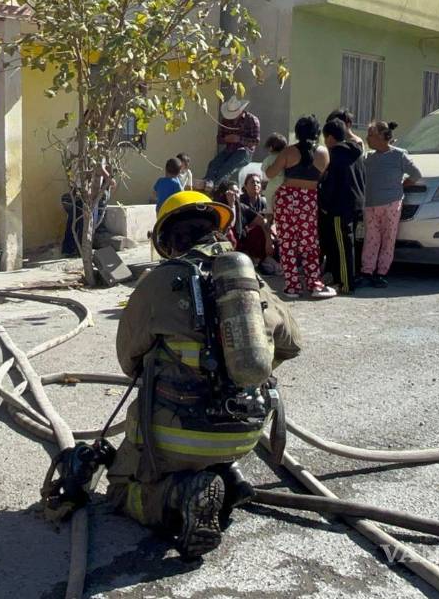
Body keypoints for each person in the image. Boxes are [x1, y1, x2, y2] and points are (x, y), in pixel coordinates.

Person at [106, 190, 303, 559]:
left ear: (166, 240)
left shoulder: (159, 282)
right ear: (217, 230)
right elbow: (291, 343)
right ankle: (229, 478)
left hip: (176, 436)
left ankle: (182, 493)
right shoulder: (248, 282)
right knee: (210, 447)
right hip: (246, 431)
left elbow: (129, 360)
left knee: (118, 488)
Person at [266, 115, 336, 299]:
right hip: (308, 200)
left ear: (297, 132)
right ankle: (314, 284)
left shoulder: (288, 152)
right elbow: (321, 177)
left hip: (286, 199)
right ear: (317, 132)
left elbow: (270, 173)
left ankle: (292, 287)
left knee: (287, 243)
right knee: (309, 244)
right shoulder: (324, 153)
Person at [358, 121, 422, 288]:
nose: (367, 138)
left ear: (381, 137)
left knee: (388, 239)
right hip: (371, 204)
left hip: (391, 204)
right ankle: (367, 271)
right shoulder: (368, 158)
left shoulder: (399, 155)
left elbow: (416, 174)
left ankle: (381, 272)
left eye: (371, 134)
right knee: (371, 239)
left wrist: (401, 186)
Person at [318, 119, 365, 295]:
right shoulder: (357, 152)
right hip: (357, 203)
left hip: (339, 206)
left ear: (329, 137)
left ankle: (345, 283)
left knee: (342, 246)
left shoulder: (334, 156)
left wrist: (324, 204)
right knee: (350, 243)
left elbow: (330, 185)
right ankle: (346, 278)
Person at [205, 96, 260, 188]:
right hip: (229, 150)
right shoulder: (225, 120)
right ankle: (208, 182)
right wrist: (226, 139)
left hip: (245, 152)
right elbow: (219, 139)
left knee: (228, 166)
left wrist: (239, 139)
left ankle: (216, 185)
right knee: (213, 164)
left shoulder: (252, 120)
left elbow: (256, 141)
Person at [259, 134, 288, 216]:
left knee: (268, 194)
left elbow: (263, 169)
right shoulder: (286, 158)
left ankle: (269, 209)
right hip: (284, 184)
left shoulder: (268, 158)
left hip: (273, 183)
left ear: (271, 147)